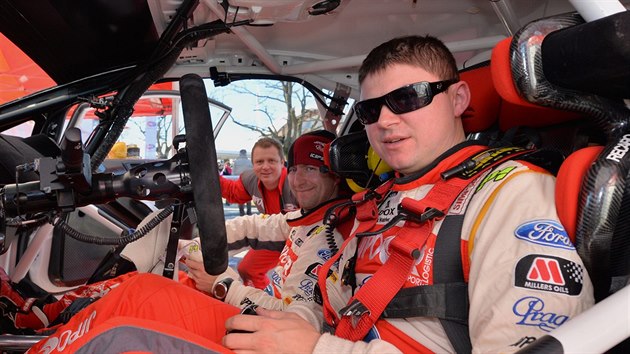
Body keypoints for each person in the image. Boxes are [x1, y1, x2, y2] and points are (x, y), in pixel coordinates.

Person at [218, 35, 594, 353]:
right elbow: (324, 304)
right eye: (370, 110)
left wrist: (316, 348)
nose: (385, 120)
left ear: (459, 98)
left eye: (409, 97)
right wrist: (282, 324)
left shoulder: (511, 193)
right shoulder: (376, 203)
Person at [23, 130, 353, 352]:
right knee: (140, 282)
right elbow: (253, 226)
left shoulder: (333, 238)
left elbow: (299, 324)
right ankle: (44, 315)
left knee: (135, 305)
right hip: (252, 313)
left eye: (313, 169)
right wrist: (193, 245)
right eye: (296, 169)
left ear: (336, 174)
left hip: (261, 336)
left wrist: (225, 285)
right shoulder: (305, 218)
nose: (300, 179)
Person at [219, 137, 299, 289]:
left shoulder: (296, 183)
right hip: (273, 236)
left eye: (271, 161)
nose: (265, 167)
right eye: (260, 162)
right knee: (247, 269)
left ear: (282, 163)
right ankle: (262, 300)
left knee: (292, 279)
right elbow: (232, 192)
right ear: (253, 164)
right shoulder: (250, 180)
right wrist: (206, 174)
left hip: (299, 238)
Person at [232, 148, 254, 216]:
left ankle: (241, 213)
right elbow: (253, 172)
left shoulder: (236, 162)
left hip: (239, 180)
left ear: (240, 154)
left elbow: (233, 172)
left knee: (240, 197)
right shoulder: (250, 162)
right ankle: (249, 212)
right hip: (248, 181)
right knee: (248, 197)